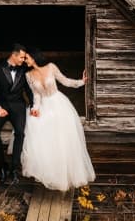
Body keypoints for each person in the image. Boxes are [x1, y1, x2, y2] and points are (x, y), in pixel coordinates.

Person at [21, 47, 95, 192]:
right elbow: (36, 95)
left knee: (63, 139)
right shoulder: (28, 75)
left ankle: (67, 175)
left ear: (34, 57)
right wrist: (35, 108)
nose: (25, 60)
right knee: (37, 130)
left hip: (59, 104)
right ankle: (50, 173)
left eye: (27, 58)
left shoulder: (51, 67)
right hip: (44, 105)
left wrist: (81, 82)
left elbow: (65, 81)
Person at [0, 43, 37, 184]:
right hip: (1, 105)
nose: (23, 60)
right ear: (14, 55)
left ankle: (14, 168)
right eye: (21, 57)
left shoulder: (23, 70)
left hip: (18, 106)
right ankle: (2, 167)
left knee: (20, 133)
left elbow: (29, 91)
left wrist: (33, 105)